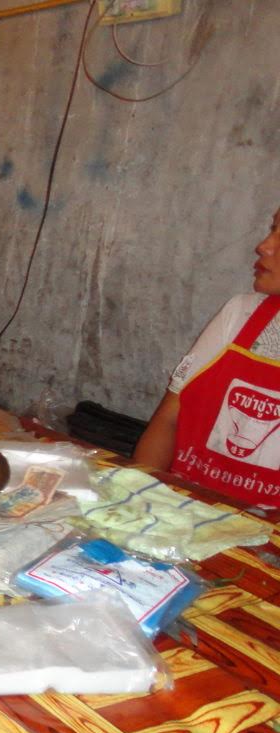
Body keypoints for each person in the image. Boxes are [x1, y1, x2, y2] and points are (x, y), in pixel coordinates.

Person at [134, 207, 280, 508]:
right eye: (273, 229)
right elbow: (169, 419)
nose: (264, 245)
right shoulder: (240, 314)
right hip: (185, 513)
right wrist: (135, 501)